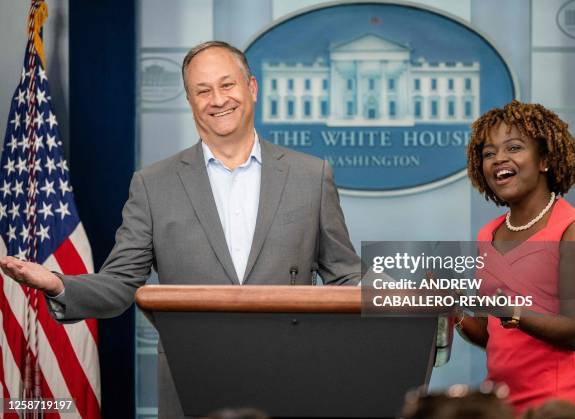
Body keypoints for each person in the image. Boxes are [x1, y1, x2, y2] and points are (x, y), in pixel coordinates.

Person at [0, 41, 362, 417]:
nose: (217, 99)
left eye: (227, 85)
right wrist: (60, 284)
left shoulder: (311, 176)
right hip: (190, 388)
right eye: (203, 90)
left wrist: (407, 291)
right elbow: (122, 282)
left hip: (292, 383)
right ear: (190, 100)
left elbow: (346, 276)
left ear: (251, 88)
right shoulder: (153, 184)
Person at [457, 100, 575, 415]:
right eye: (489, 153)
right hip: (501, 404)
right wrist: (450, 308)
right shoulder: (487, 235)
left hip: (558, 405)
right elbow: (494, 334)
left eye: (513, 148)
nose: (499, 159)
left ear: (545, 160)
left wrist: (514, 312)